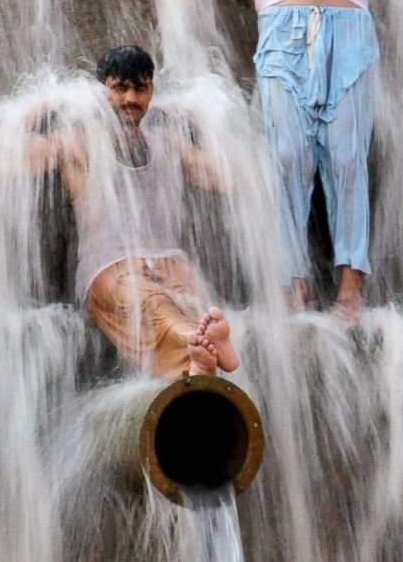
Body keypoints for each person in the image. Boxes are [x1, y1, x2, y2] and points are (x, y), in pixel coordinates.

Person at [46, 0, 401, 323]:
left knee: (346, 158)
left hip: (350, 35)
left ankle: (350, 290)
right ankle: (293, 284)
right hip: (283, 37)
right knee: (286, 158)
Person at [22, 45, 241, 378]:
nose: (130, 99)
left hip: (171, 261)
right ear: (102, 92)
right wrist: (36, 112)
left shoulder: (168, 141)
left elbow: (226, 179)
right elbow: (6, 162)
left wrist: (207, 123)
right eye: (119, 88)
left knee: (199, 305)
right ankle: (196, 349)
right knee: (155, 306)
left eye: (140, 88)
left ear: (152, 90)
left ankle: (201, 357)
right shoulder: (77, 142)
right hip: (110, 265)